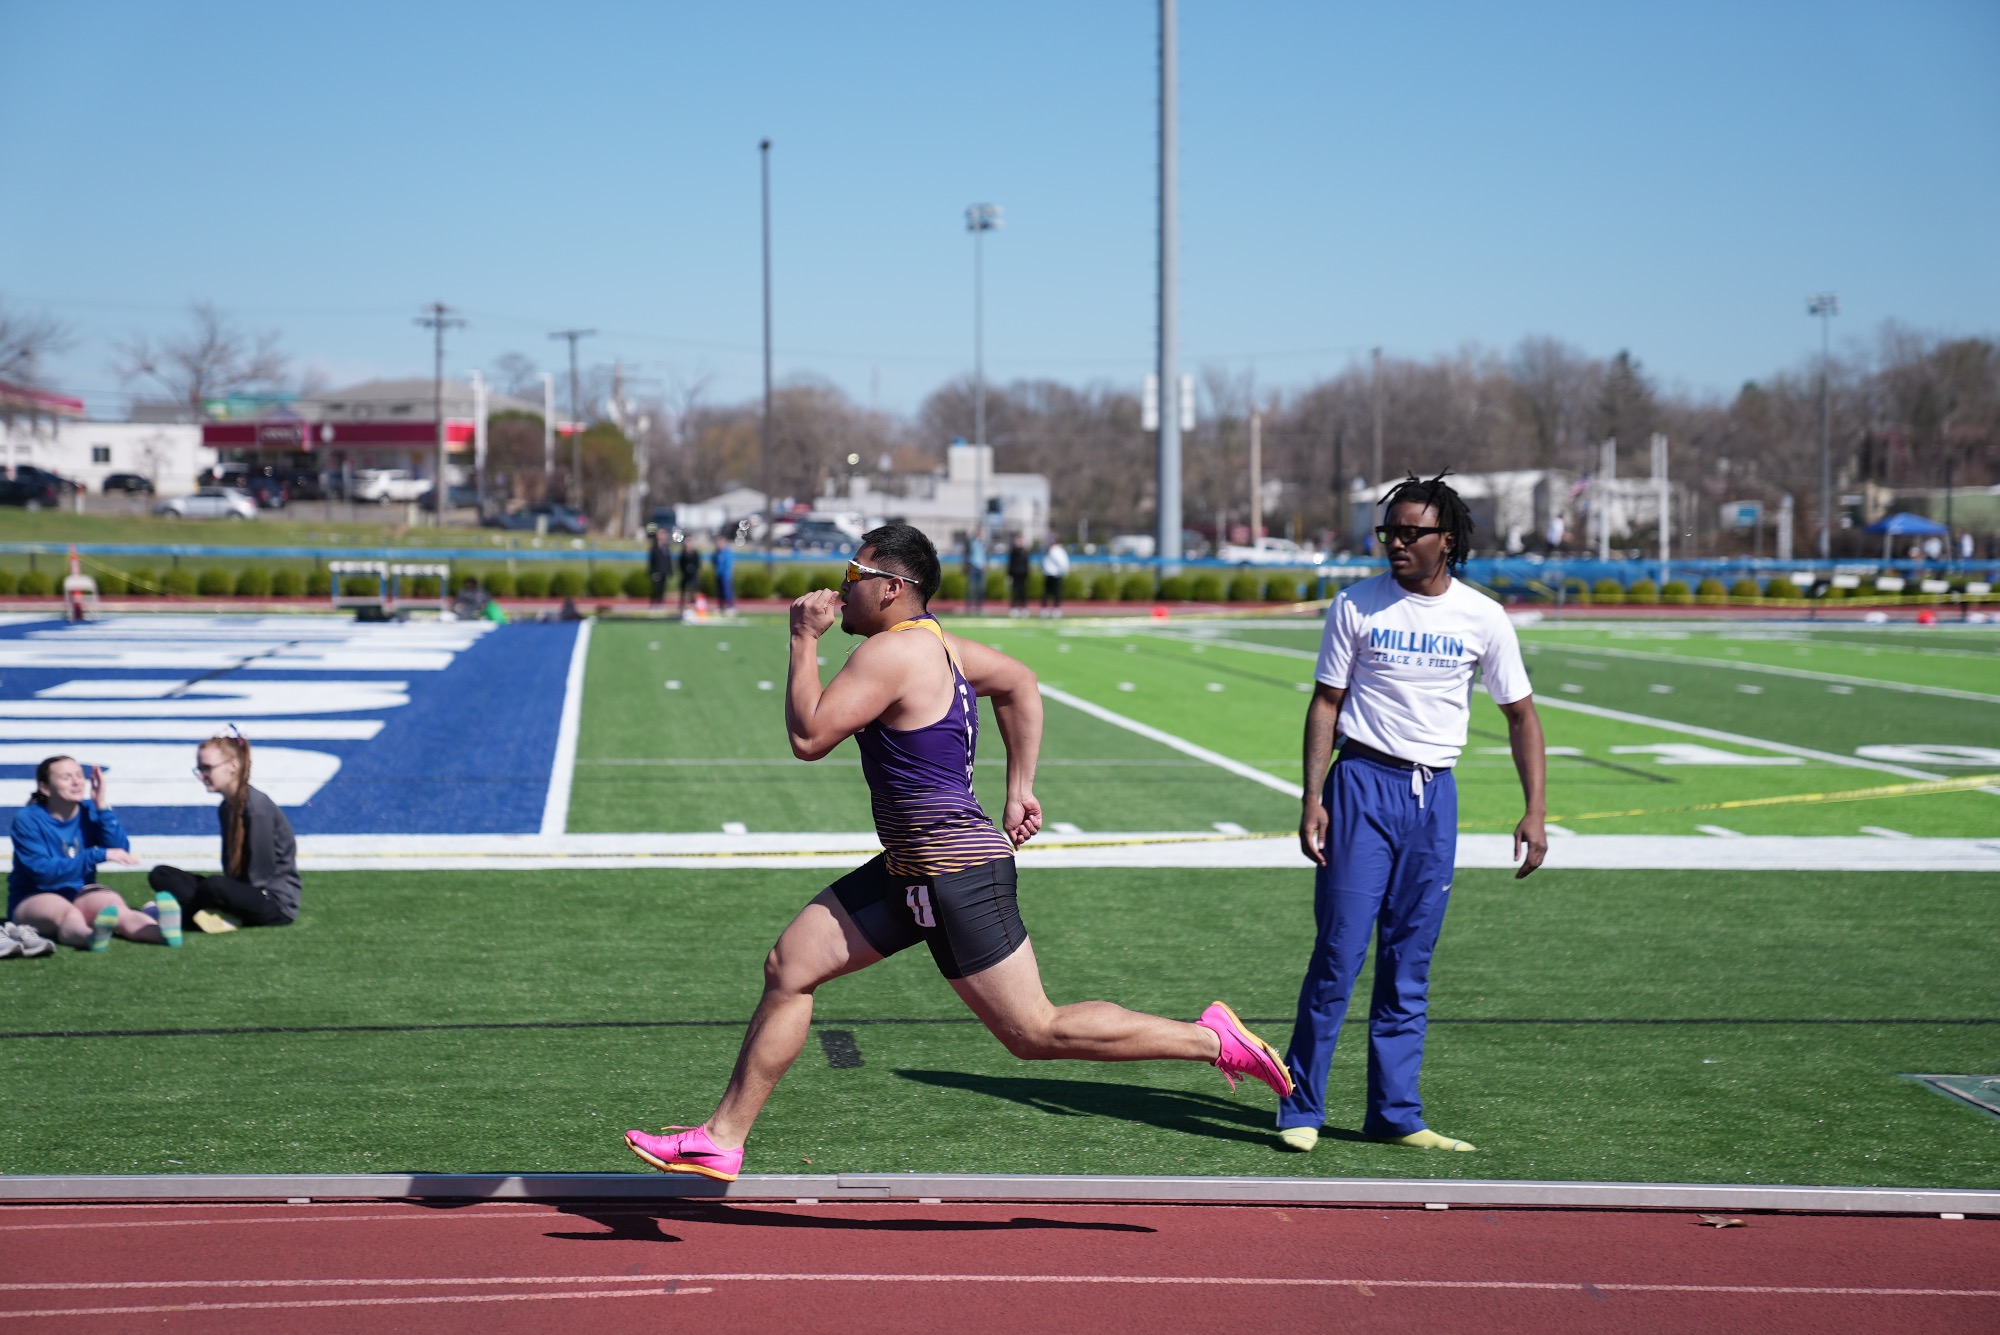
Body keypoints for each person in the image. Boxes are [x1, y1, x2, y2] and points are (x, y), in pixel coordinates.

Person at [623, 523, 1292, 1180]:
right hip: (911, 870)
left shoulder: (890, 654)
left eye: (854, 575)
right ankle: (722, 1139)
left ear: (892, 587)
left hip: (957, 874)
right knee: (790, 966)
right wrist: (1019, 789)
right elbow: (1020, 681)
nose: (841, 587)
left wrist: (802, 638)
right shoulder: (940, 644)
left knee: (1035, 1032)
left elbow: (809, 737)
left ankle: (1213, 1039)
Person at [1278, 472, 1547, 1155]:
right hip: (1361, 785)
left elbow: (1521, 715)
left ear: (1446, 540)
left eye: (1410, 533)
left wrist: (1535, 810)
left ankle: (1395, 1113)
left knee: (1409, 961)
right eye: (1388, 532)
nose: (1396, 543)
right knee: (1338, 954)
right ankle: (1300, 1105)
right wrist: (1312, 797)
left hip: (1435, 799)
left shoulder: (1483, 617)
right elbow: (1326, 703)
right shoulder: (1356, 605)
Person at [8, 756, 175, 950]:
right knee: (69, 914)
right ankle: (91, 937)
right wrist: (95, 855)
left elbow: (119, 849)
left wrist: (102, 806)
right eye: (66, 777)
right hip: (34, 897)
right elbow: (44, 874)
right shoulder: (27, 819)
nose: (76, 782)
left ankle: (162, 932)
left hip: (79, 892)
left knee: (116, 908)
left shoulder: (89, 809)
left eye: (79, 775)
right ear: (44, 787)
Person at [147, 732, 299, 933]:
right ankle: (210, 913)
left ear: (233, 766)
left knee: (214, 886)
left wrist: (224, 895)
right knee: (161, 874)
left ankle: (186, 917)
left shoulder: (257, 809)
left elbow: (259, 878)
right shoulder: (226, 808)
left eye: (207, 768)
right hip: (239, 891)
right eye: (200, 769)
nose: (202, 776)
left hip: (273, 902)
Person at [1040, 534, 1070, 618]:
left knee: (1056, 593)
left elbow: (1063, 562)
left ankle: (1056, 609)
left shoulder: (1058, 551)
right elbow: (1043, 562)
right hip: (1048, 574)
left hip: (1057, 574)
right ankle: (1044, 609)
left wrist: (1063, 572)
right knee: (1046, 593)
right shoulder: (1045, 550)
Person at [646, 527, 675, 607]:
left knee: (662, 588)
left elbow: (668, 560)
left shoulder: (666, 547)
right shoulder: (654, 547)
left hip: (664, 571)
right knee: (656, 588)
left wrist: (670, 571)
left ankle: (660, 603)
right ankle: (653, 603)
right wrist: (651, 572)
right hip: (656, 571)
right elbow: (651, 561)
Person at [1005, 535, 1031, 617]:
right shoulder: (1013, 551)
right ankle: (1013, 608)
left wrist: (1027, 575)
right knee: (1015, 591)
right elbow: (1010, 564)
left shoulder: (1025, 551)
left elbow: (1027, 564)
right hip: (1015, 574)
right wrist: (1009, 575)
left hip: (1023, 574)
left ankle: (1023, 608)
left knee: (1023, 592)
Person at [678, 535, 702, 613]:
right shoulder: (683, 553)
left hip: (693, 575)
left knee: (693, 590)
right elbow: (680, 563)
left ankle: (692, 604)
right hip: (685, 574)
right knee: (683, 590)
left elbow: (697, 563)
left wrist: (693, 570)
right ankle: (682, 605)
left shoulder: (695, 553)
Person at [713, 534, 736, 612]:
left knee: (727, 591)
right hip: (719, 574)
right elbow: (714, 561)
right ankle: (721, 606)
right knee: (720, 592)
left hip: (726, 575)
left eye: (720, 542)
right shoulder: (717, 552)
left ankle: (730, 606)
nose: (719, 544)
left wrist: (724, 572)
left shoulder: (727, 552)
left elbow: (728, 563)